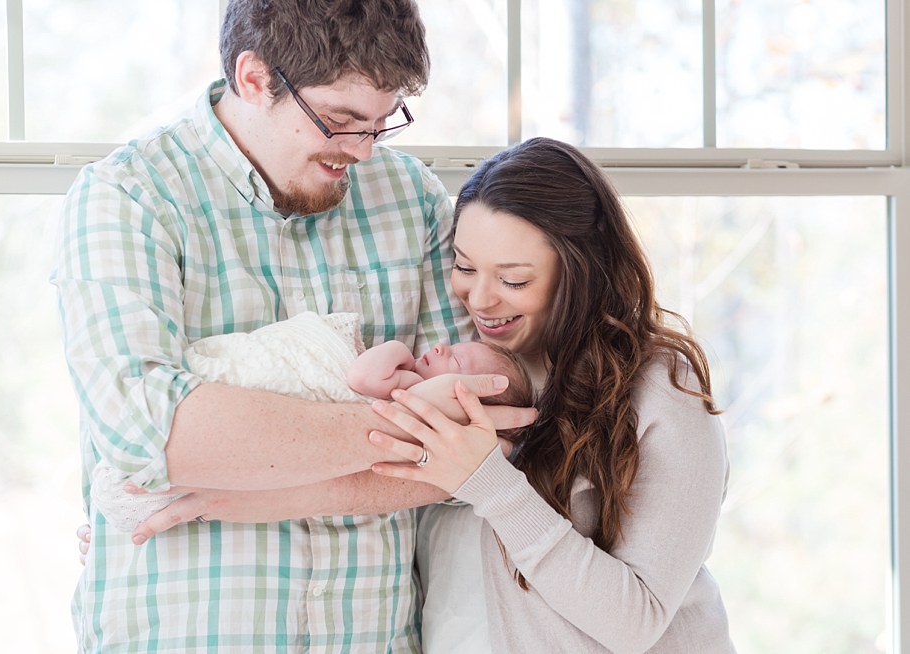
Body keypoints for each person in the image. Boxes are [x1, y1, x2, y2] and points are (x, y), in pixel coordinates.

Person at [52, 1, 534, 652]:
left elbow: (478, 451)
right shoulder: (130, 197)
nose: (361, 152)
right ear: (254, 78)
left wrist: (234, 482)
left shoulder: (411, 197)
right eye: (339, 123)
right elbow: (147, 433)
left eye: (379, 125)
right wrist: (415, 439)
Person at [365, 137, 736, 653]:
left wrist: (492, 484)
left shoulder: (661, 390)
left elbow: (638, 621)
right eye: (465, 267)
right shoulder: (466, 370)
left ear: (581, 269)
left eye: (513, 280)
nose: (480, 298)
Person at [89, 311, 533, 533]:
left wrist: (398, 350)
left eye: (454, 359)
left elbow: (363, 376)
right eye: (451, 345)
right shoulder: (419, 395)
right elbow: (137, 421)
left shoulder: (415, 392)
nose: (439, 349)